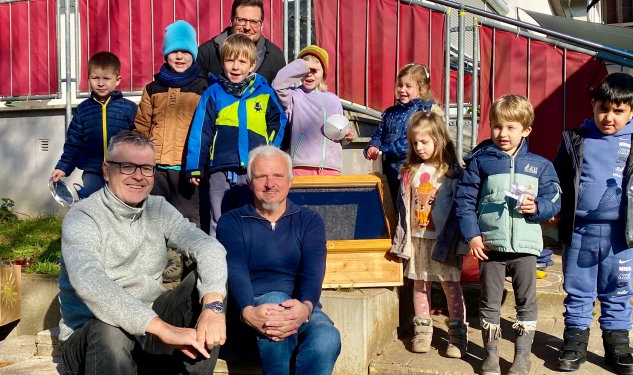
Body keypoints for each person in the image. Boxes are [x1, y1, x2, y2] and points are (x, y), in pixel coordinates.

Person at [57, 131, 229, 375]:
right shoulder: (82, 217)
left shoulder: (157, 208)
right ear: (107, 170)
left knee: (204, 283)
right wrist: (164, 329)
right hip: (92, 348)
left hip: (144, 337)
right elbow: (92, 284)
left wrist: (213, 305)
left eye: (146, 168)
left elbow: (208, 247)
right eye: (127, 167)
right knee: (106, 327)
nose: (138, 177)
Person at [216, 146, 341, 375]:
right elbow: (235, 271)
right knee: (272, 305)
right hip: (253, 312)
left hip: (301, 307)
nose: (270, 184)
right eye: (261, 177)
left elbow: (313, 273)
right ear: (249, 182)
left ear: (290, 180)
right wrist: (247, 311)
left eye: (277, 176)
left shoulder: (309, 220)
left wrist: (306, 307)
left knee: (327, 337)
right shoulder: (232, 222)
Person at [553, 72, 633, 375]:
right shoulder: (575, 138)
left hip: (623, 235)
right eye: (602, 108)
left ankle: (617, 346)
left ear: (632, 111)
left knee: (618, 288)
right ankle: (574, 343)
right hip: (580, 232)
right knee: (578, 289)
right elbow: (556, 178)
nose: (609, 117)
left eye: (618, 111)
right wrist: (551, 203)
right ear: (592, 106)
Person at [455, 94, 561, 375]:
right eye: (498, 126)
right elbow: (464, 201)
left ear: (526, 130)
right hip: (490, 246)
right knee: (490, 301)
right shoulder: (481, 162)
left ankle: (522, 356)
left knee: (526, 301)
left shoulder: (541, 166)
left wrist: (538, 207)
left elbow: (555, 198)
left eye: (511, 127)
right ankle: (490, 354)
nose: (503, 134)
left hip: (525, 248)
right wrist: (472, 236)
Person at [184, 33, 287, 237]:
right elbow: (200, 131)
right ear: (222, 63)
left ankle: (251, 259)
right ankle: (218, 264)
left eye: (242, 61)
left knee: (254, 215)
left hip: (253, 169)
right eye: (230, 60)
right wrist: (195, 167)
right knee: (218, 218)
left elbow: (279, 123)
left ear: (252, 65)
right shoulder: (213, 93)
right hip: (220, 169)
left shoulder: (264, 93)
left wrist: (268, 153)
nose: (235, 66)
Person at [389, 111, 466, 358]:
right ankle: (422, 330)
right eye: (414, 143)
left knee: (450, 286)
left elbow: (460, 207)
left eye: (424, 142)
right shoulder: (410, 170)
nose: (419, 147)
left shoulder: (451, 171)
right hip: (418, 238)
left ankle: (457, 334)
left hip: (443, 240)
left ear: (439, 139)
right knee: (420, 284)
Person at [135, 20, 208, 225]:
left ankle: (188, 256)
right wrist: (141, 159)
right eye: (174, 51)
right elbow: (142, 126)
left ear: (193, 54)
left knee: (187, 218)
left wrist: (200, 164)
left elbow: (206, 128)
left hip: (186, 167)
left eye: (185, 52)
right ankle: (158, 255)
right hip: (156, 167)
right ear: (166, 53)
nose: (179, 56)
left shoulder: (202, 87)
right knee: (154, 215)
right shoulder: (153, 88)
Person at [51, 51, 137, 196]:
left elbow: (139, 140)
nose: (101, 83)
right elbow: (73, 143)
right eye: (95, 78)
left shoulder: (129, 108)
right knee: (95, 206)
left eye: (106, 78)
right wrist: (63, 167)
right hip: (92, 172)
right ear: (88, 79)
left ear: (117, 80)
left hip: (122, 170)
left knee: (121, 205)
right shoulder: (83, 110)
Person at [271, 45, 355, 176]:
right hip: (301, 166)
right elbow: (278, 84)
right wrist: (301, 65)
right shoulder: (293, 96)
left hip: (331, 168)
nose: (309, 74)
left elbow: (339, 133)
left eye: (314, 70)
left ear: (323, 73)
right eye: (305, 70)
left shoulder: (333, 100)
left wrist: (347, 137)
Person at [364, 63, 442, 202]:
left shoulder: (424, 111)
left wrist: (384, 150)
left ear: (421, 88)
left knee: (409, 206)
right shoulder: (391, 113)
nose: (402, 90)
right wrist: (372, 146)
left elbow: (410, 143)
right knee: (389, 206)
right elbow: (379, 134)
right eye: (400, 85)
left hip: (413, 171)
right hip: (388, 171)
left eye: (408, 86)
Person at [196, 0, 285, 83]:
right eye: (241, 20)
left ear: (261, 25)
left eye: (254, 22)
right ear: (231, 21)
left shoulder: (275, 57)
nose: (247, 27)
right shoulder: (207, 54)